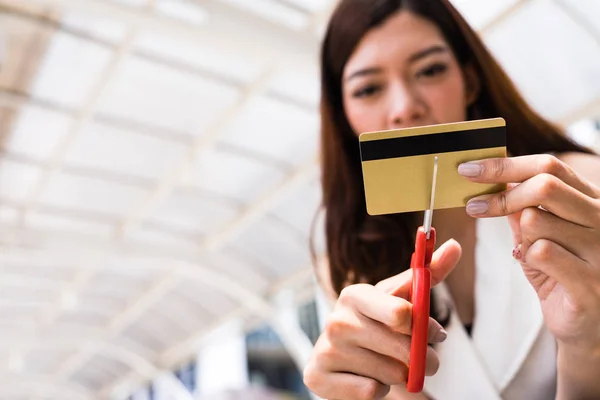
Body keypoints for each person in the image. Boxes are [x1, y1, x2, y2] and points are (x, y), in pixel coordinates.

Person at [302, 0, 600, 399]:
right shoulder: (349, 265)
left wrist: (589, 344)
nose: (405, 107)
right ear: (345, 117)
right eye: (368, 88)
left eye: (430, 70)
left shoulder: (580, 184)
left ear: (470, 80)